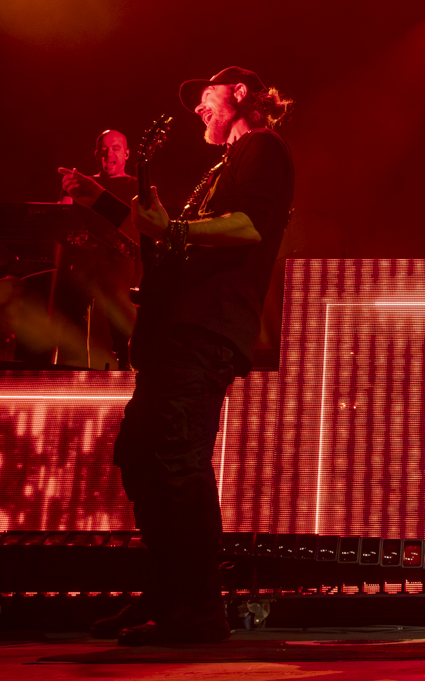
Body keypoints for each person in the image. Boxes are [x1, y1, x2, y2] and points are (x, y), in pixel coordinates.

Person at [90, 68, 294, 646]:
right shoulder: (223, 165)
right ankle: (167, 593)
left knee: (177, 461)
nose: (198, 109)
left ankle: (198, 608)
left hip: (203, 329)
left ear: (239, 94)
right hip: (178, 330)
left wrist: (178, 229)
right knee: (144, 457)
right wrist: (98, 202)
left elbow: (250, 227)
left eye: (206, 97)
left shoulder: (263, 147)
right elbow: (161, 236)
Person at [56, 129, 141, 368]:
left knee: (122, 326)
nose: (109, 153)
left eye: (115, 148)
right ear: (96, 155)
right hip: (82, 262)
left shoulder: (136, 185)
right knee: (71, 324)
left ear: (126, 154)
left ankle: (127, 373)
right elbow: (61, 219)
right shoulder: (82, 183)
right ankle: (69, 375)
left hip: (119, 263)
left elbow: (144, 227)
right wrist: (66, 194)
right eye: (104, 149)